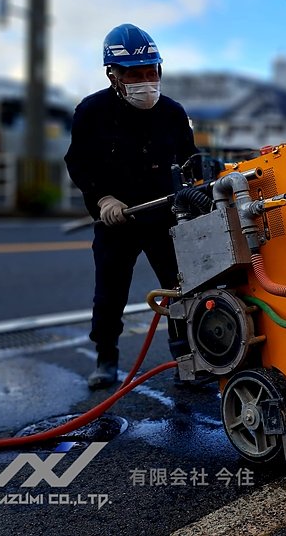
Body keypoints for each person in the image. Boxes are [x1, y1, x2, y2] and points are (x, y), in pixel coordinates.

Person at [65, 23, 199, 389]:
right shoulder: (91, 111)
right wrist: (102, 198)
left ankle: (185, 356)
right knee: (109, 294)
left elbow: (191, 161)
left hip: (164, 215)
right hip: (116, 220)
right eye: (134, 75)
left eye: (150, 72)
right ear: (114, 75)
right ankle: (106, 357)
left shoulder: (172, 113)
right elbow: (78, 162)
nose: (145, 81)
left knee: (179, 290)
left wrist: (196, 189)